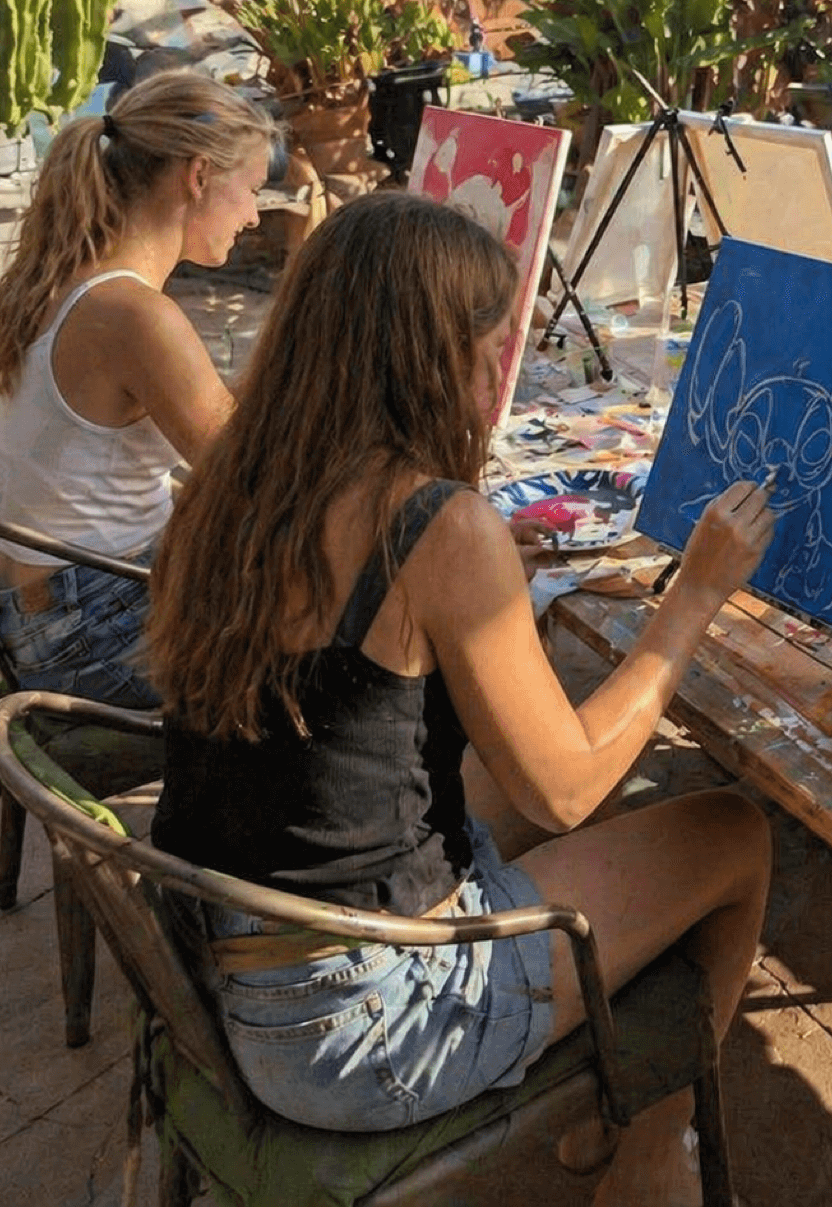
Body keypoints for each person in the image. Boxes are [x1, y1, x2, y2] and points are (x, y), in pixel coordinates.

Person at [148, 193, 776, 1206]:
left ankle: (603, 1120)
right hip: (363, 1028)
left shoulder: (233, 478)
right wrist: (696, 591)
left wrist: (482, 592)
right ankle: (653, 1158)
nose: (501, 375)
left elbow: (367, 695)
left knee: (589, 783)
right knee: (729, 832)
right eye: (494, 348)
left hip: (222, 959)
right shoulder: (435, 524)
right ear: (436, 359)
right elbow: (560, 792)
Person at [0, 70, 279, 707]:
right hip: (86, 638)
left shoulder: (64, 276)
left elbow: (219, 428)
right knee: (352, 618)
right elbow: (256, 474)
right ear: (198, 177)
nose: (253, 216)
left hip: (35, 613)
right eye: (251, 189)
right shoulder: (133, 315)